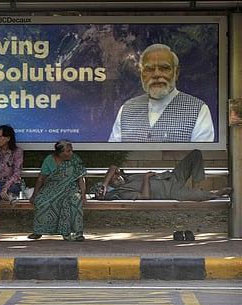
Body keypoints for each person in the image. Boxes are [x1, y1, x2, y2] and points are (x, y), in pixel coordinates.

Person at [109, 43, 214, 142]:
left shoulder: (198, 110)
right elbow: (113, 153)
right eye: (149, 69)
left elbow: (201, 155)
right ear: (141, 74)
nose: (156, 74)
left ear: (176, 73)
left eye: (164, 68)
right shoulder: (127, 109)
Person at [96, 149, 231, 201]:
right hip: (171, 192)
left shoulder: (128, 177)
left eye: (115, 176)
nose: (117, 177)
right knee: (199, 196)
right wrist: (146, 178)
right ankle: (217, 193)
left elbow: (113, 167)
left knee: (195, 154)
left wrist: (105, 184)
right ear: (114, 186)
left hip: (171, 177)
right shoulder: (123, 192)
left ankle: (196, 186)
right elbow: (145, 197)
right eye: (115, 180)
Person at [27, 140, 87, 241]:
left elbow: (81, 178)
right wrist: (34, 195)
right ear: (60, 153)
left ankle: (77, 233)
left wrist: (83, 194)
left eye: (71, 150)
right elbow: (41, 178)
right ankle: (39, 231)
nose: (71, 153)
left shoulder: (75, 159)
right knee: (41, 201)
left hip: (71, 188)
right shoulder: (49, 160)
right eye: (68, 151)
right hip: (52, 188)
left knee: (75, 200)